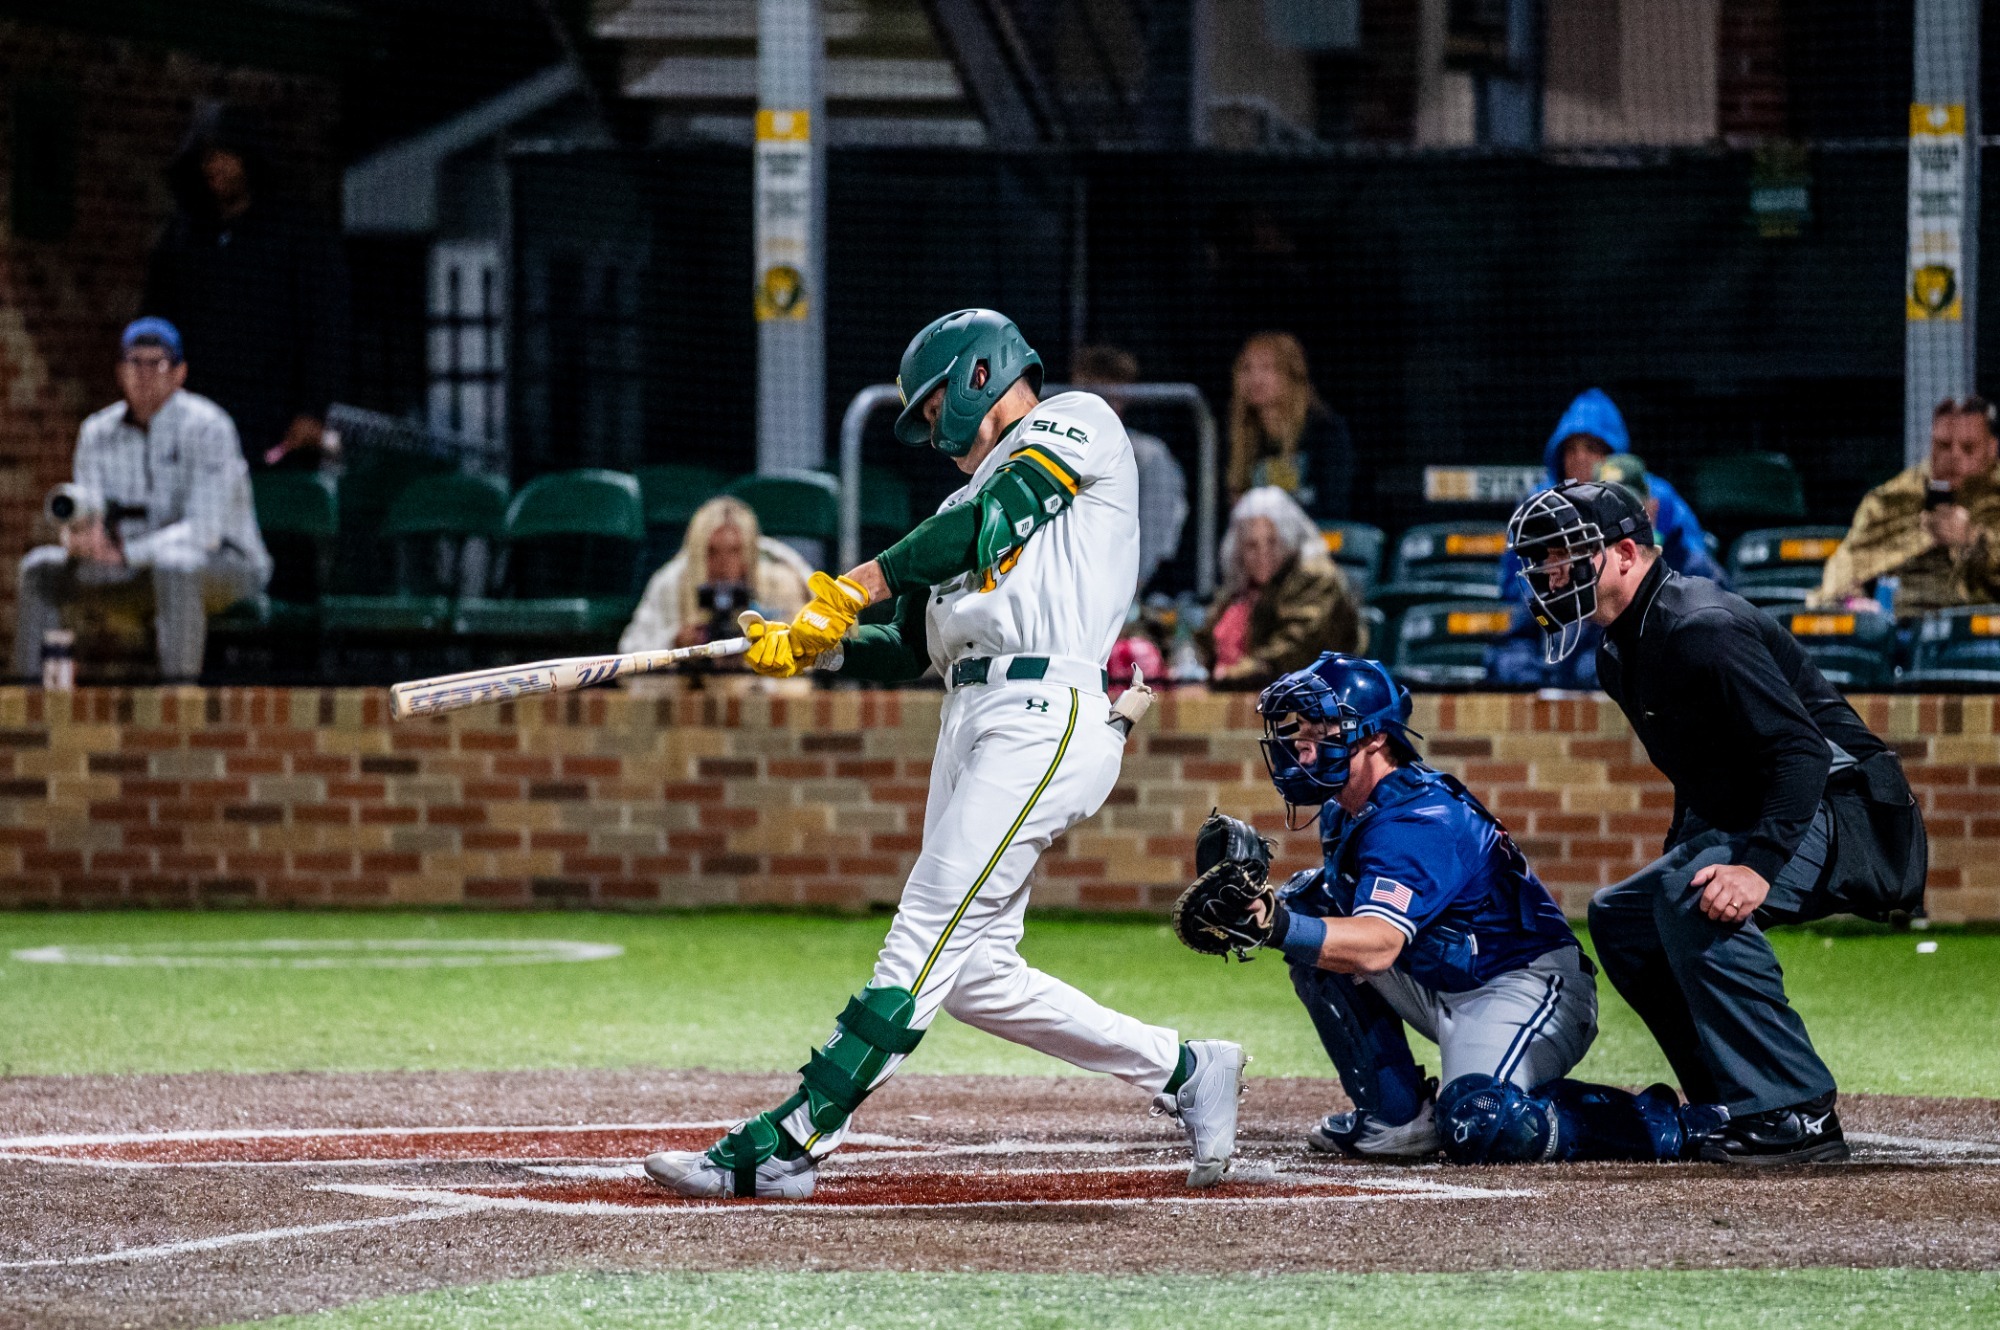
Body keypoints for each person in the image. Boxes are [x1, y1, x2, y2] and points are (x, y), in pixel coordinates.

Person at [642, 309, 1244, 1199]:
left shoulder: (1075, 425)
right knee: (977, 977)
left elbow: (990, 524)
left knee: (923, 929)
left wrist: (849, 588)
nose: (931, 433)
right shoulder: (956, 505)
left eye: (931, 411)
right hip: (975, 717)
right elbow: (919, 644)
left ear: (976, 378)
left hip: (1043, 714)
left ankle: (796, 1139)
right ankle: (1189, 1071)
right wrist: (821, 645)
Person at [1506, 480, 1926, 1165]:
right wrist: (1685, 856)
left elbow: (1801, 753)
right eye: (1543, 559)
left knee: (1690, 897)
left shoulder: (1701, 626)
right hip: (1777, 806)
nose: (1550, 573)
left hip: (1854, 811)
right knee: (1624, 914)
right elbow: (1699, 776)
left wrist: (1757, 868)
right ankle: (1729, 1093)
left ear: (1622, 553)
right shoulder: (1620, 651)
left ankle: (1799, 1110)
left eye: (1563, 555)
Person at [1167, 653, 1729, 1165]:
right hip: (1445, 974)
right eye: (1300, 733)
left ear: (1375, 738)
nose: (1303, 748)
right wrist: (1277, 912)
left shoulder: (1419, 820)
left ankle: (1662, 1123)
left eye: (1323, 732)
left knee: (1480, 1121)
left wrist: (1273, 925)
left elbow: (1380, 944)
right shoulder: (1348, 807)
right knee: (1308, 901)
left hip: (1521, 984)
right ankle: (1397, 1118)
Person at [14, 319, 271, 683]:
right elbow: (90, 506)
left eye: (158, 363)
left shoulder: (209, 426)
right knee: (40, 569)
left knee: (176, 565)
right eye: (135, 362)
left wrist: (128, 554)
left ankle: (177, 707)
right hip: (129, 566)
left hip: (226, 566)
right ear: (120, 372)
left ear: (180, 373)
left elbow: (206, 530)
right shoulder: (97, 432)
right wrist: (82, 537)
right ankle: (27, 706)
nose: (145, 373)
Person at [141, 103, 349, 470]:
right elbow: (156, 318)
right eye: (206, 157)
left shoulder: (295, 234)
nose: (215, 167)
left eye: (225, 154)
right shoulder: (183, 237)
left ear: (248, 159)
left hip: (271, 418)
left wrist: (312, 409)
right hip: (198, 412)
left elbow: (325, 325)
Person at [1489, 390, 1723, 690]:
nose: (1580, 458)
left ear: (1651, 509)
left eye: (1592, 448)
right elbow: (1521, 628)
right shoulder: (1552, 538)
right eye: (1571, 450)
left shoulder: (1683, 556)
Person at [1810, 395, 2000, 615]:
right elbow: (1844, 568)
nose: (1953, 457)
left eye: (1968, 448)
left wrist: (1972, 539)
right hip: (1903, 627)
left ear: (1992, 448)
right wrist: (1854, 602)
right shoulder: (1891, 499)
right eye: (1944, 445)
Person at [1196, 486, 1365, 689]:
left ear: (1288, 539)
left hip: (1319, 700)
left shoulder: (1316, 578)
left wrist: (1238, 672)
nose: (1262, 554)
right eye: (1252, 545)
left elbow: (1295, 651)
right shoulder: (1240, 588)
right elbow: (1205, 644)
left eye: (1272, 541)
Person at [618, 496, 813, 655]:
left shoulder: (778, 582)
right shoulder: (671, 583)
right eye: (712, 552)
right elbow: (630, 653)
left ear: (748, 553)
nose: (724, 564)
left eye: (735, 550)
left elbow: (808, 654)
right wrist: (675, 642)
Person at [1070, 346, 1187, 593]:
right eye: (1090, 395)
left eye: (1110, 398)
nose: (1100, 407)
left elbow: (1154, 540)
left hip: (1122, 592)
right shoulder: (1053, 449)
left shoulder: (1147, 456)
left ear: (1125, 399)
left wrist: (1125, 594)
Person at [1225, 332, 1353, 521]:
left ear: (1291, 375)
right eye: (1246, 368)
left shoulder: (1325, 431)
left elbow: (1334, 505)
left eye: (1266, 368)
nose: (1255, 378)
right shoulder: (1238, 438)